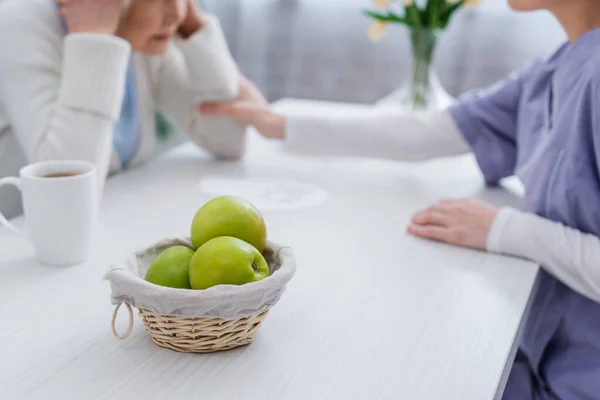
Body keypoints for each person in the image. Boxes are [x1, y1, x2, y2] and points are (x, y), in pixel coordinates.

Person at [199, 1, 600, 398]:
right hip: (539, 355)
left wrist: (503, 229)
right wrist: (282, 124)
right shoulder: (559, 65)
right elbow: (437, 129)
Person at [0, 0, 246, 200]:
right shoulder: (19, 23)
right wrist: (94, 36)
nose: (175, 14)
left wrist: (195, 25)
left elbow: (228, 139)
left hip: (109, 231)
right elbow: (64, 191)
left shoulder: (142, 39)